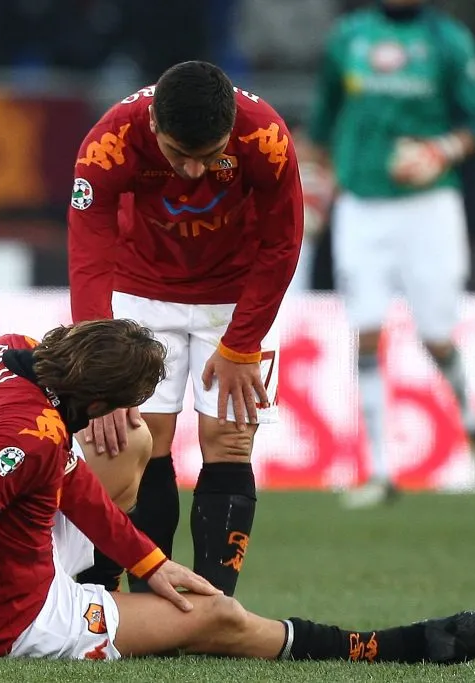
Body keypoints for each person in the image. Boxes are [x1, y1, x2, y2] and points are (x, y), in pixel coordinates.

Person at [0, 318, 475, 663]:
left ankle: (112, 592)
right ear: (95, 399)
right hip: (0, 617)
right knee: (218, 617)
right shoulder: (30, 435)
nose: (122, 413)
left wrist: (150, 562)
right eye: (121, 404)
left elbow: (66, 478)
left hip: (3, 553)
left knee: (130, 441)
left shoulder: (6, 350)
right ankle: (395, 648)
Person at [68, 60, 304, 596]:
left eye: (210, 157)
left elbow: (283, 242)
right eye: (179, 156)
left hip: (234, 297)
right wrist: (100, 368)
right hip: (141, 293)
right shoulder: (110, 142)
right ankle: (151, 596)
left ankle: (213, 603)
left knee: (230, 439)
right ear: (153, 123)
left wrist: (243, 343)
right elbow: (88, 254)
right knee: (137, 439)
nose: (194, 172)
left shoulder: (266, 137)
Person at [305, 0, 475, 508]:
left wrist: (441, 151)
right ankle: (379, 471)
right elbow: (323, 122)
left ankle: (474, 428)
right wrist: (318, 185)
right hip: (362, 203)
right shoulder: (350, 37)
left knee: (436, 335)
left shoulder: (449, 40)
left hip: (428, 205)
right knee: (366, 329)